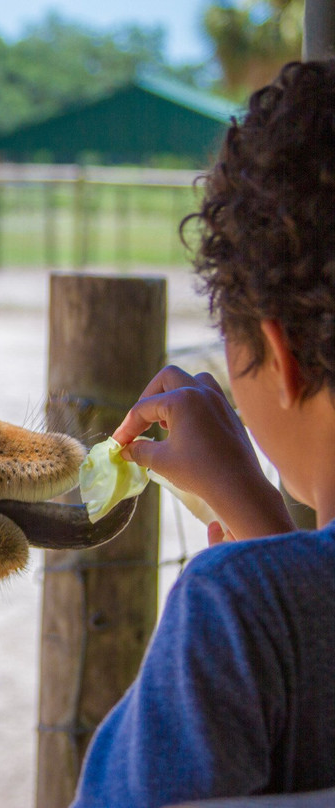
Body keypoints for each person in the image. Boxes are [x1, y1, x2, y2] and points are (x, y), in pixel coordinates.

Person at [70, 60, 335, 807]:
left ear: (280, 356)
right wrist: (267, 534)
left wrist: (260, 568)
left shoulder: (235, 609)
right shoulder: (266, 601)